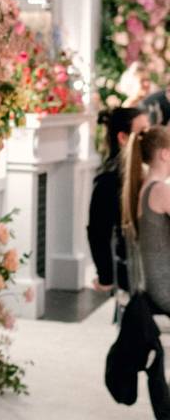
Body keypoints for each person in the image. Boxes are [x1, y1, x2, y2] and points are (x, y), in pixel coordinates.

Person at [88, 107, 148, 292]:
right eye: (142, 133)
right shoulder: (109, 179)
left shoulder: (146, 171)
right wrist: (105, 276)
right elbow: (98, 232)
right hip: (132, 270)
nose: (149, 138)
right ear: (123, 138)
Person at [122, 126, 170, 313]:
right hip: (165, 289)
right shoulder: (159, 190)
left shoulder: (148, 187)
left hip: (156, 285)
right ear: (165, 154)